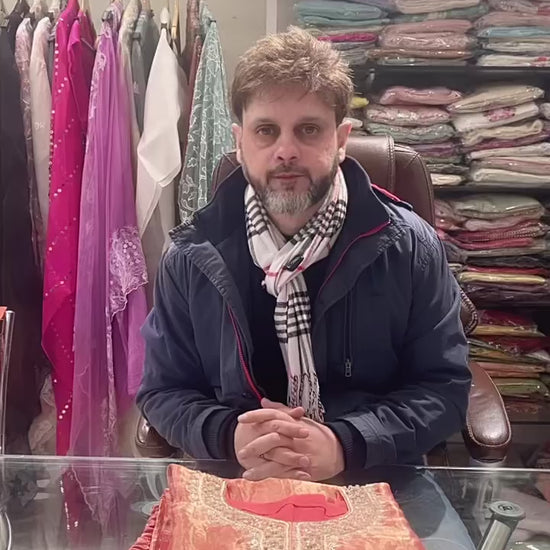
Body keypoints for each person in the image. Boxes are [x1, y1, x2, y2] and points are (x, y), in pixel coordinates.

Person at [136, 27, 471, 485]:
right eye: (266, 131)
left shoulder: (411, 247)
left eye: (308, 129)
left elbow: (443, 389)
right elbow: (163, 390)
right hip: (236, 475)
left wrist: (344, 444)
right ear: (240, 142)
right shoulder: (191, 256)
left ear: (341, 139)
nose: (286, 151)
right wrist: (230, 436)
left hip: (374, 474)